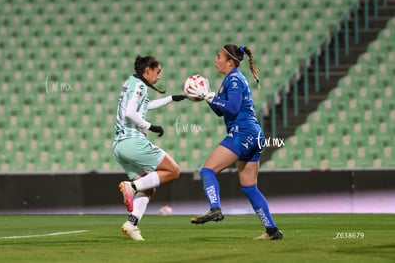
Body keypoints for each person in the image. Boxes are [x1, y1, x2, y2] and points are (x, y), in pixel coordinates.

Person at [186, 44, 283, 240]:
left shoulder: (235, 79)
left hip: (243, 132)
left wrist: (210, 96)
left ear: (230, 62)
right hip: (254, 135)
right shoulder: (230, 79)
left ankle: (215, 208)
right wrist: (207, 97)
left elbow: (232, 108)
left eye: (219, 56)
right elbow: (220, 111)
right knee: (249, 186)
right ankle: (272, 231)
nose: (216, 59)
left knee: (207, 170)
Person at [112, 55, 185, 241]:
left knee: (149, 186)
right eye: (157, 72)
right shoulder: (140, 85)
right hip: (133, 141)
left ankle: (131, 223)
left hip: (119, 146)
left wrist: (171, 99)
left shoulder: (131, 82)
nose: (159, 76)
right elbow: (130, 112)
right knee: (173, 171)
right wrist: (150, 127)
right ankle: (132, 186)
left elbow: (142, 107)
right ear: (147, 71)